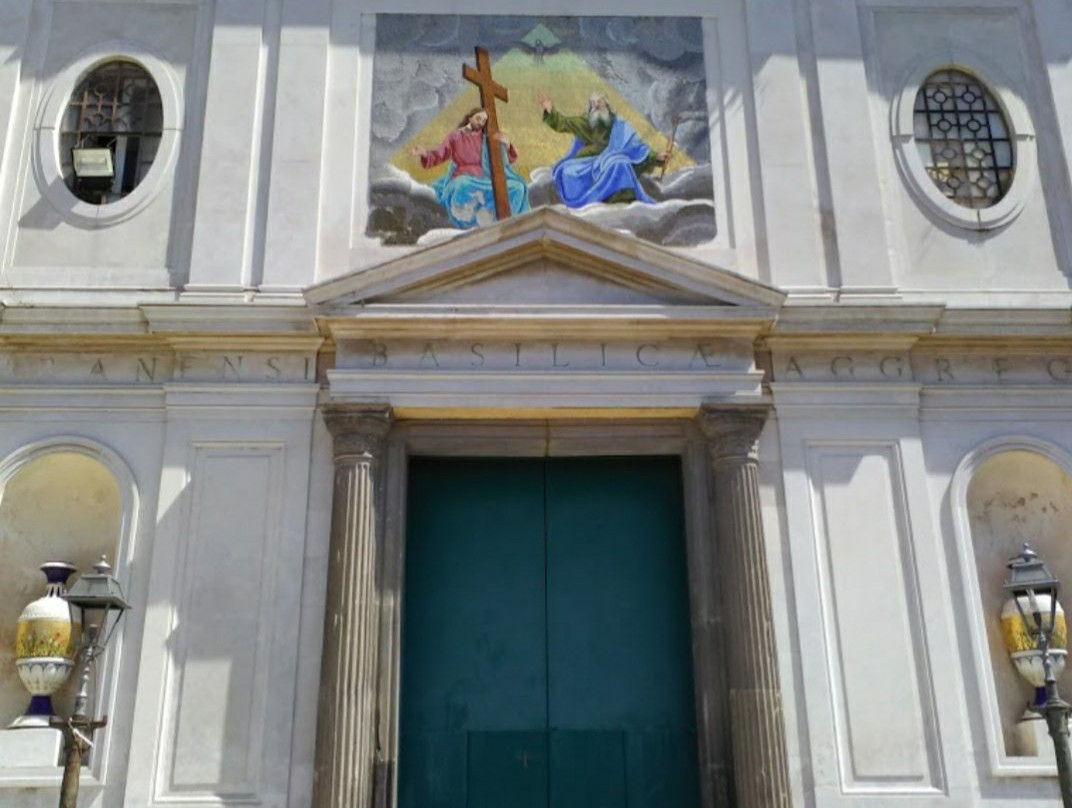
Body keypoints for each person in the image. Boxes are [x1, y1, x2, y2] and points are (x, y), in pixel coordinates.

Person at [537, 92, 670, 207]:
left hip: (611, 159)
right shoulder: (584, 122)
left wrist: (656, 157)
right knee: (569, 172)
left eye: (600, 104)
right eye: (593, 104)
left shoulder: (620, 125)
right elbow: (563, 123)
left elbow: (636, 147)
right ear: (590, 107)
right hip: (586, 162)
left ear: (607, 106)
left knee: (619, 163)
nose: (596, 106)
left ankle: (619, 199)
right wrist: (550, 110)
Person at [408, 107, 530, 228]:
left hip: (486, 178)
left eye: (483, 120)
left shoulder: (487, 139)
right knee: (462, 184)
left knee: (517, 187)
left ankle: (494, 217)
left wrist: (507, 145)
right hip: (464, 176)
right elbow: (439, 155)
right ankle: (467, 221)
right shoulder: (455, 137)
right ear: (470, 117)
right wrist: (424, 154)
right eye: (478, 118)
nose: (481, 122)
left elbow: (504, 160)